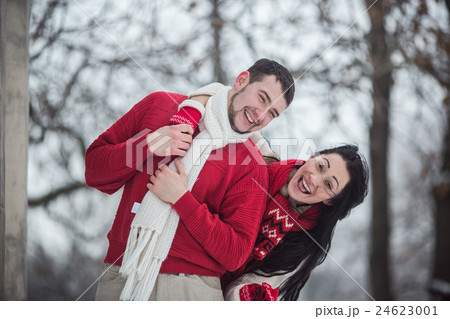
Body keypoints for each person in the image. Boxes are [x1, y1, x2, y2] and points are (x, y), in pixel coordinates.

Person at [85, 58, 295, 301]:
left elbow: (234, 252)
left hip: (190, 290)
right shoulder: (161, 107)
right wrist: (148, 144)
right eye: (262, 98)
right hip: (122, 273)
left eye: (273, 113)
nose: (261, 115)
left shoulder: (251, 166)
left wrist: (182, 200)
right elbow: (94, 172)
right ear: (241, 81)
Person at [220, 144, 370, 301]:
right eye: (320, 166)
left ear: (330, 201)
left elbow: (250, 284)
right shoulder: (261, 164)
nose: (313, 179)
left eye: (328, 185)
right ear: (312, 157)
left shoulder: (302, 245)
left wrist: (249, 297)